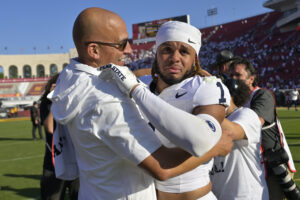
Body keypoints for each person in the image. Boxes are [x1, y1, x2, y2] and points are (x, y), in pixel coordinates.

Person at [49, 7, 233, 200]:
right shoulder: (107, 98)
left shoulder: (71, 79)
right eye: (121, 44)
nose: (129, 49)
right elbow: (163, 167)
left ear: (195, 59)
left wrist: (135, 83)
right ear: (94, 50)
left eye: (185, 51)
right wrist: (216, 146)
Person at [105, 20, 231, 200]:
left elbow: (201, 139)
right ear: (156, 55)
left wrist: (136, 90)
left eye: (184, 51)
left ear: (195, 59)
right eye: (166, 50)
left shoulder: (206, 86)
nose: (175, 57)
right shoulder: (142, 83)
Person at [229, 58, 300, 200]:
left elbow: (254, 123)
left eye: (238, 75)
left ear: (251, 79)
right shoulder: (238, 100)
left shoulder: (262, 95)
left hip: (272, 167)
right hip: (254, 165)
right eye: (231, 76)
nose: (233, 79)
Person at [210, 75, 269, 199]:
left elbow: (232, 132)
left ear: (227, 95)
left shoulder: (246, 114)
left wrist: (205, 112)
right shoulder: (209, 120)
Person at [40, 74, 79, 200]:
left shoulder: (75, 101)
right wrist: (55, 100)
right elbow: (49, 128)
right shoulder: (46, 103)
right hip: (54, 162)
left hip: (77, 160)